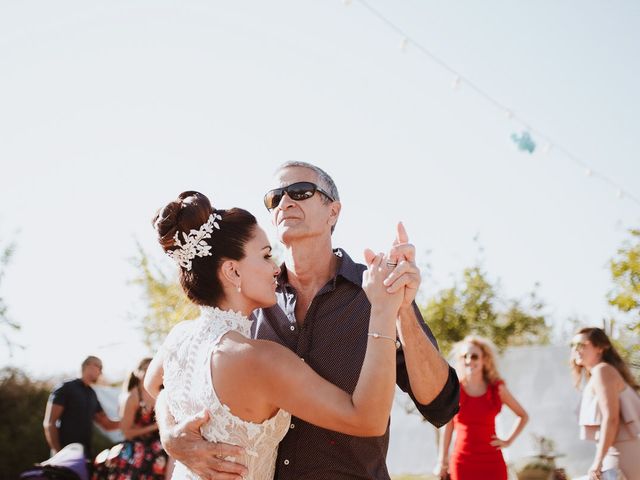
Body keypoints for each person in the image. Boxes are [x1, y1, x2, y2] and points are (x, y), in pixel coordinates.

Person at [151, 162, 460, 480]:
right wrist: (171, 436)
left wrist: (401, 310)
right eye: (275, 198)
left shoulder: (379, 292)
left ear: (333, 212)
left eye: (300, 192)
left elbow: (440, 406)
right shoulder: (249, 301)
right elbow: (167, 384)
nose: (285, 202)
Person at [437, 336, 529, 480]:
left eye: (474, 356)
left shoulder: (497, 389)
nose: (469, 360)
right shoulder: (455, 389)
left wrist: (508, 441)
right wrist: (442, 460)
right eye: (464, 356)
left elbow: (523, 415)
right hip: (462, 462)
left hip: (492, 461)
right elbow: (448, 426)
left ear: (484, 359)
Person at [571, 327, 640, 480]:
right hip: (614, 453)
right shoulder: (597, 374)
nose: (576, 350)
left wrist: (598, 461)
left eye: (582, 345)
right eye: (573, 345)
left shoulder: (603, 371)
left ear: (601, 348)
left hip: (621, 455)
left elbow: (611, 418)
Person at [92, 357, 169, 479]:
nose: (150, 371)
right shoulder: (132, 397)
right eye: (145, 368)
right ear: (137, 372)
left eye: (152, 368)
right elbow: (126, 432)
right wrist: (154, 427)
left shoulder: (161, 392)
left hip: (161, 440)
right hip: (138, 443)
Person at [43, 356, 120, 458]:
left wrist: (131, 419)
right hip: (63, 454)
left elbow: (106, 424)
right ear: (89, 366)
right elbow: (49, 423)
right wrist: (58, 453)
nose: (101, 373)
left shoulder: (92, 394)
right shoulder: (65, 388)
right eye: (99, 367)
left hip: (84, 455)